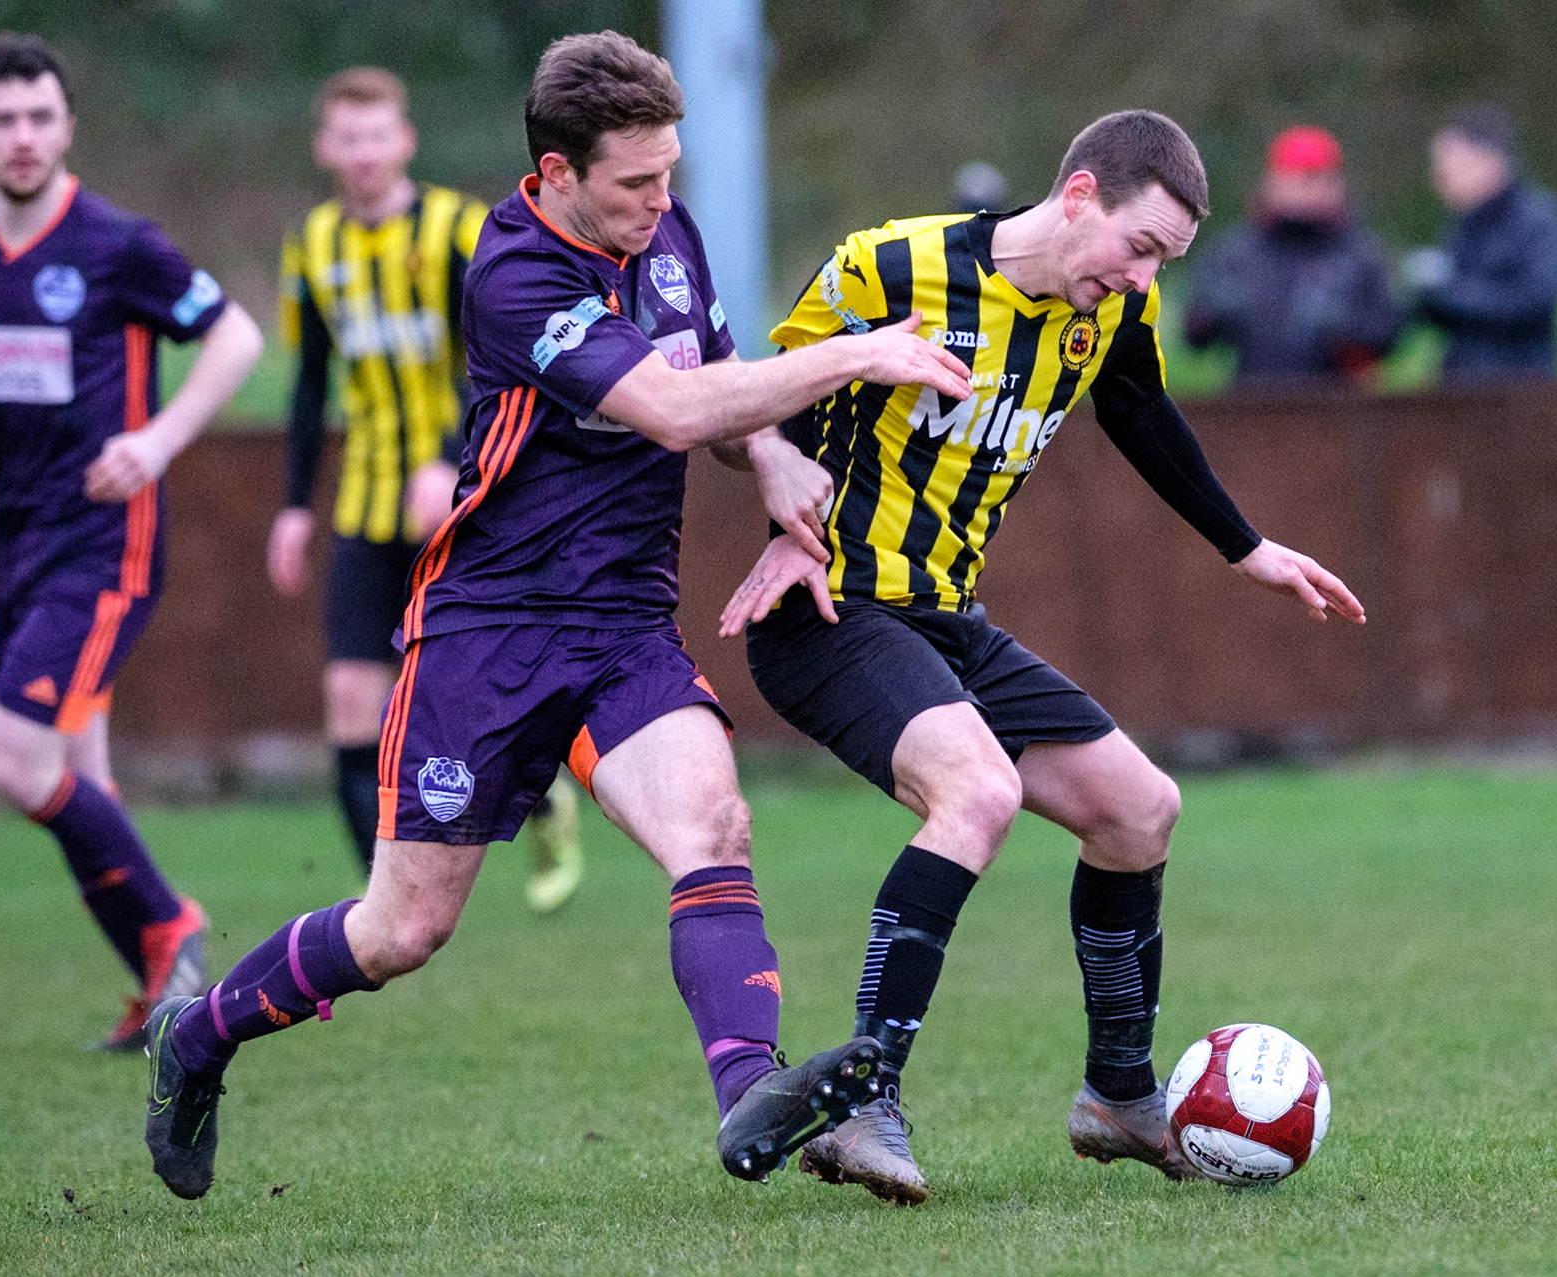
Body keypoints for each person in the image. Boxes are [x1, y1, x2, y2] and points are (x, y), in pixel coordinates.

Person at [140, 30, 975, 1201]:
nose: (660, 201)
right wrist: (859, 355)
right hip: (488, 633)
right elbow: (672, 408)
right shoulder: (514, 272)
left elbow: (720, 387)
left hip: (624, 628)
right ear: (555, 172)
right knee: (401, 929)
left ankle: (752, 1092)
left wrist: (776, 460)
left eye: (669, 172)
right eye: (634, 182)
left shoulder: (666, 232)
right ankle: (197, 1036)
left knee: (714, 827)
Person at [720, 109, 1366, 1205]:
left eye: (1165, 262)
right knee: (978, 794)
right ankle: (863, 1103)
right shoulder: (894, 264)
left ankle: (1118, 1093)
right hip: (829, 609)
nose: (1143, 278)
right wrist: (784, 495)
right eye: (1139, 246)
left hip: (946, 616)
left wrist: (1247, 548)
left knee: (1139, 810)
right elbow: (751, 401)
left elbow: (1141, 411)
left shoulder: (1111, 308)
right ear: (1078, 196)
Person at [0, 34, 263, 1050]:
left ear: (68, 128)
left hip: (103, 543)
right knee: (79, 771)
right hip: (16, 541)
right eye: (2, 119)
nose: (23, 136)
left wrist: (157, 442)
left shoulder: (118, 245)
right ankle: (164, 993)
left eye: (40, 116)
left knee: (13, 757)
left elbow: (237, 335)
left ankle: (172, 924)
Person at [267, 67, 586, 908]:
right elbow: (309, 380)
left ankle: (544, 799)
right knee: (349, 702)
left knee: (470, 688)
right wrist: (293, 507)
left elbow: (501, 353)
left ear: (404, 141)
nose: (364, 153)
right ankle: (378, 909)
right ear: (325, 148)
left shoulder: (456, 229)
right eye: (349, 137)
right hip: (365, 503)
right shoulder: (313, 244)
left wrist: (451, 457)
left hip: (464, 491)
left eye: (378, 135)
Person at [1182, 125, 1402, 388]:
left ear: (1336, 184)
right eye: (1291, 178)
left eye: (1312, 178)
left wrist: (1345, 330)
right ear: (1270, 182)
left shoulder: (1361, 256)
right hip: (1252, 402)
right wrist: (1215, 316)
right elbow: (1194, 335)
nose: (1301, 189)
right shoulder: (1236, 254)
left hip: (1337, 404)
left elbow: (1390, 336)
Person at [1406, 103, 1557, 383]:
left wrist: (1449, 291)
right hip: (1463, 389)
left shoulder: (1540, 220)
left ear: (1490, 161)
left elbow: (1535, 301)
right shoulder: (1462, 225)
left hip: (1522, 388)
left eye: (1450, 164)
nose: (1439, 176)